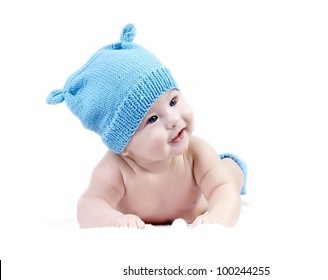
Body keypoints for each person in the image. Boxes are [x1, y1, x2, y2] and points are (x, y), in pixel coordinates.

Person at [47, 23, 247, 228]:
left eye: (173, 101)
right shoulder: (115, 169)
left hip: (201, 203)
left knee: (229, 174)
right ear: (123, 145)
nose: (173, 120)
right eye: (152, 119)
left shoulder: (196, 152)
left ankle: (232, 165)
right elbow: (89, 205)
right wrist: (113, 220)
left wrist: (219, 218)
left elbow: (223, 190)